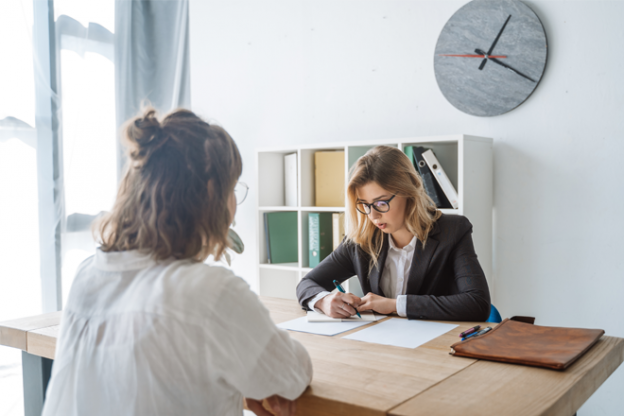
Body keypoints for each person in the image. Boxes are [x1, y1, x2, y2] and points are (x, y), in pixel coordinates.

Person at [42, 108, 312, 416]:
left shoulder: (88, 274)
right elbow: (291, 373)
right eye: (232, 188)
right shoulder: (211, 291)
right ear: (211, 192)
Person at [296, 145, 490, 321]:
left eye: (381, 203)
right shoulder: (360, 240)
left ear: (408, 192)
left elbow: (477, 303)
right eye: (365, 205)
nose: (373, 215)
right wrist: (324, 300)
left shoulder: (452, 230)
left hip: (435, 347)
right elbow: (307, 283)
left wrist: (394, 305)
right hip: (382, 346)